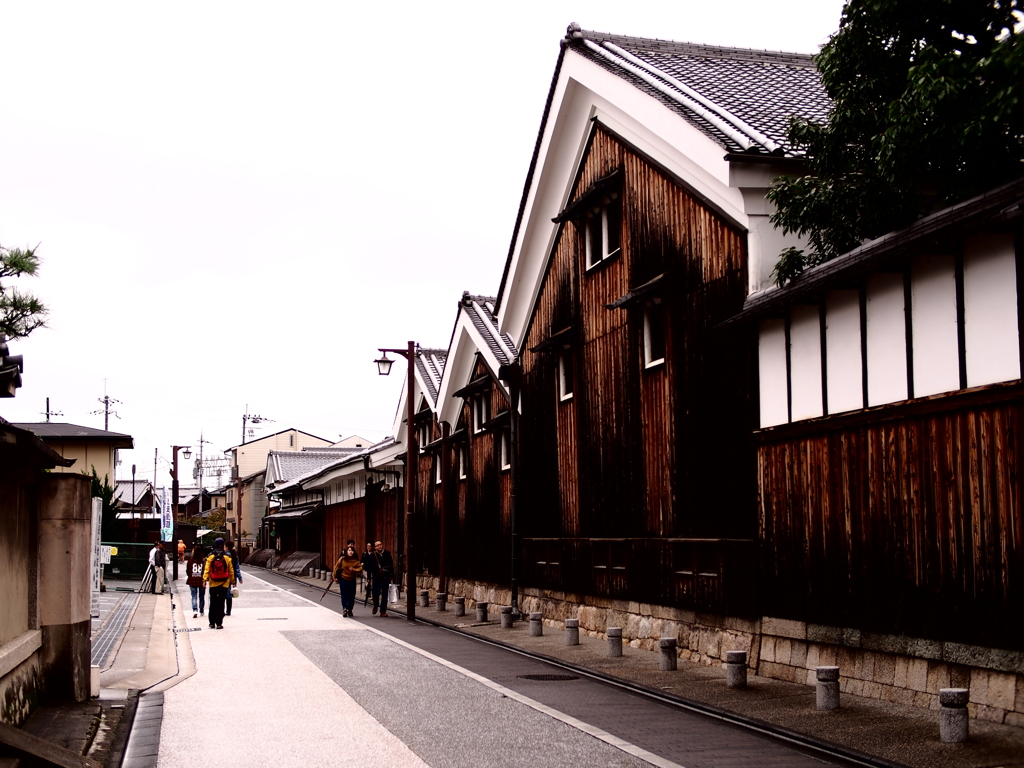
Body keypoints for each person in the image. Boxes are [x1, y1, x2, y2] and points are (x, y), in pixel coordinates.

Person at [203, 537, 235, 629]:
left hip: (213, 582)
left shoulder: (210, 556)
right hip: (224, 583)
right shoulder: (227, 556)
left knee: (213, 602)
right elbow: (231, 570)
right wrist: (233, 581)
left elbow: (207, 569)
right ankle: (219, 623)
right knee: (221, 603)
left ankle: (211, 622)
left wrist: (204, 580)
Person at [331, 544, 362, 617]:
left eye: (352, 550)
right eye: (349, 550)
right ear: (346, 551)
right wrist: (334, 576)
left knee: (351, 595)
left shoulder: (356, 560)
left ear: (354, 552)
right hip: (343, 579)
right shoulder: (342, 559)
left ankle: (350, 609)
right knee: (344, 594)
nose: (350, 552)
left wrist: (353, 570)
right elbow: (336, 567)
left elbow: (360, 569)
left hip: (352, 579)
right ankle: (344, 608)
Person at [368, 540, 394, 617]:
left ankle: (383, 611)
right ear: (375, 547)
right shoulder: (372, 555)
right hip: (376, 577)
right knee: (375, 594)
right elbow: (369, 568)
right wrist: (369, 578)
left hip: (385, 577)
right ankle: (375, 605)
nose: (379, 546)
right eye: (377, 545)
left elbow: (391, 565)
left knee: (385, 595)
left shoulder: (387, 554)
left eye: (380, 544)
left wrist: (392, 576)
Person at [186, 545, 207, 618]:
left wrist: (191, 575)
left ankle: (195, 610)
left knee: (194, 596)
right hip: (201, 580)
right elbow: (205, 571)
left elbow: (188, 571)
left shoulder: (190, 561)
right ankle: (201, 610)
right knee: (202, 596)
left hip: (192, 580)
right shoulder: (203, 560)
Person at [224, 540, 243, 617]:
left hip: (224, 576)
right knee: (229, 594)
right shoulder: (235, 556)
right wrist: (240, 578)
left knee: (224, 593)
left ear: (227, 547)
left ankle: (223, 609)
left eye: (225, 546)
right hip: (233, 577)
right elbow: (237, 568)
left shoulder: (224, 555)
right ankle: (228, 611)